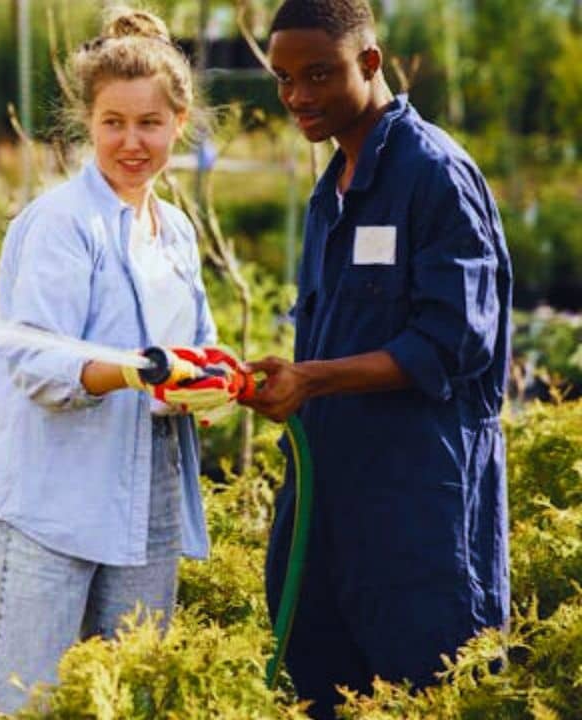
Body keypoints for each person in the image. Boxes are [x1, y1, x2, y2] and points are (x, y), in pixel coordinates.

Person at [0, 8, 242, 715]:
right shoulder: (62, 224)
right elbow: (38, 365)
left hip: (143, 509)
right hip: (46, 514)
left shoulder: (174, 231)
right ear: (87, 122)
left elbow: (195, 347)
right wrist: (137, 370)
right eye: (113, 122)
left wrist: (216, 382)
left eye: (149, 123)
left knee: (131, 703)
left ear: (179, 123)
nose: (131, 141)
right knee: (24, 707)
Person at [241, 1, 513, 717]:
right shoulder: (328, 195)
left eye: (318, 74)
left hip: (419, 517)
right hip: (331, 510)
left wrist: (312, 379)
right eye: (283, 78)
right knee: (321, 690)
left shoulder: (434, 176)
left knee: (433, 693)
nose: (297, 95)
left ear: (370, 62)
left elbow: (453, 343)